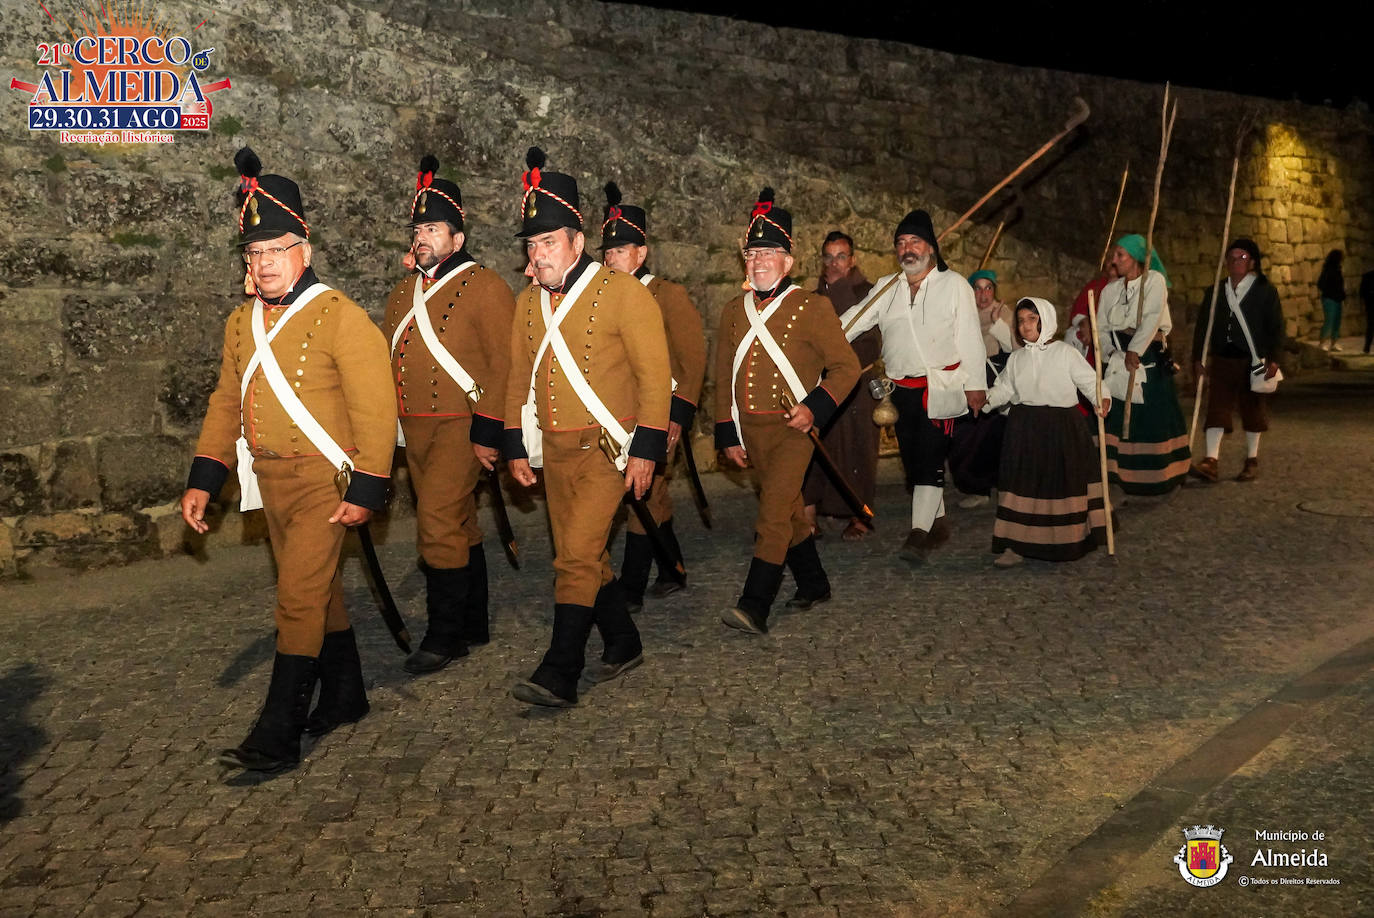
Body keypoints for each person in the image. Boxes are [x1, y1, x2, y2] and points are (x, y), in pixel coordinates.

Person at [179, 148, 396, 772]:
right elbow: (227, 401)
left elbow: (377, 410)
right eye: (254, 253)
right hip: (266, 479)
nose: (265, 263)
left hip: (326, 480)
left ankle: (278, 732)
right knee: (317, 589)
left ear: (305, 249)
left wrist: (369, 486)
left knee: (296, 599)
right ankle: (348, 693)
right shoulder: (240, 323)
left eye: (276, 250)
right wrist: (206, 476)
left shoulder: (341, 318)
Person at [502, 148, 672, 707]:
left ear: (577, 241)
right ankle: (623, 642)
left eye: (548, 242)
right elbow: (517, 379)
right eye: (532, 244)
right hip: (555, 451)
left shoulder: (624, 293)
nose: (539, 254)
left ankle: (561, 668)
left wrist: (646, 450)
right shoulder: (528, 304)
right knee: (588, 557)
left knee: (573, 558)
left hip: (607, 450)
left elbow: (656, 377)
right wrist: (514, 445)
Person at [381, 155, 516, 674]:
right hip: (415, 427)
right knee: (458, 521)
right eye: (418, 228)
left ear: (457, 239)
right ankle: (473, 621)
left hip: (463, 423)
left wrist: (491, 432)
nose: (422, 237)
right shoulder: (402, 294)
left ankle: (445, 636)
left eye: (433, 228)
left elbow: (504, 365)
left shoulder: (485, 286)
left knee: (436, 520)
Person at [713, 188, 861, 634]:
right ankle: (814, 583)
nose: (759, 262)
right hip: (752, 432)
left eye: (769, 253)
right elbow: (723, 375)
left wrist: (814, 408)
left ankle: (754, 604)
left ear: (788, 261)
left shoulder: (811, 307)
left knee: (772, 514)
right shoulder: (732, 311)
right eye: (753, 253)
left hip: (792, 431)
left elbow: (846, 367)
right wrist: (727, 433)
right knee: (792, 512)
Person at [838, 210, 985, 564]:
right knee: (914, 458)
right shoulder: (887, 287)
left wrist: (976, 385)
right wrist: (823, 340)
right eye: (901, 243)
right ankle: (938, 523)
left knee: (930, 460)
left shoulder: (955, 286)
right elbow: (854, 321)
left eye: (915, 242)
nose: (907, 249)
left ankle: (918, 535)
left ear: (931, 249)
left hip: (940, 387)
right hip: (899, 392)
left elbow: (970, 338)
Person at [598, 182, 706, 613]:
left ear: (640, 253)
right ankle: (672, 567)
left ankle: (634, 583)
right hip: (617, 414)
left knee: (644, 492)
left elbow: (692, 358)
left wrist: (677, 415)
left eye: (619, 251)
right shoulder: (601, 296)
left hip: (659, 412)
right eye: (606, 252)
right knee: (650, 494)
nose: (611, 259)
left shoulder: (667, 295)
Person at [984, 298, 1109, 567]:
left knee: (1059, 484)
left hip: (1061, 428)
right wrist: (980, 401)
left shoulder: (1064, 352)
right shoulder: (1017, 358)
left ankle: (1067, 540)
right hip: (1024, 429)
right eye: (1021, 320)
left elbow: (1089, 382)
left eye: (1032, 318)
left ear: (1045, 320)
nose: (1025, 325)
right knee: (1022, 487)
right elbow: (1003, 390)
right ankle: (1015, 545)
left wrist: (1102, 397)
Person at [1097, 234, 1190, 497]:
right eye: (1113, 255)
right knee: (1118, 420)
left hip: (1146, 357)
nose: (1113, 260)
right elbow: (1101, 327)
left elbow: (1150, 319)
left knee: (1150, 419)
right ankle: (1119, 477)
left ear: (1137, 258)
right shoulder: (1110, 290)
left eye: (1120, 255)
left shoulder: (1155, 282)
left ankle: (1160, 477)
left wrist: (1134, 350)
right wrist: (1112, 352)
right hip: (1118, 359)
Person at [803, 230, 878, 541]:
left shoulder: (870, 293)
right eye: (829, 257)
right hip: (823, 384)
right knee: (815, 449)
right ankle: (808, 514)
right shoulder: (812, 297)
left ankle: (859, 515)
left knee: (857, 450)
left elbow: (871, 341)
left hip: (859, 381)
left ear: (853, 259)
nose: (834, 263)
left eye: (841, 256)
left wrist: (842, 290)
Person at [1189, 239, 1283, 483]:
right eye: (1231, 257)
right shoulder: (1216, 291)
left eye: (1241, 257)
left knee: (1252, 410)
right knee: (1217, 408)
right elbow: (1203, 327)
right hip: (1222, 359)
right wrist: (1198, 357)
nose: (1235, 262)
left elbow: (1275, 327)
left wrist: (1274, 359)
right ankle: (1211, 460)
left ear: (1252, 261)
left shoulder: (1264, 291)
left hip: (1251, 360)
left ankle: (1251, 459)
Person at [949, 268, 1014, 509]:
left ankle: (1000, 485)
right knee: (965, 436)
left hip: (994, 383)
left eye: (989, 288)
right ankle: (975, 486)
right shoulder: (962, 314)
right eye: (978, 288)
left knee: (993, 436)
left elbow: (1013, 348)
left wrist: (998, 324)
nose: (983, 294)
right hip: (967, 381)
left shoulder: (1004, 313)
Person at [1064, 262, 1119, 366]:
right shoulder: (1097, 285)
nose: (1113, 262)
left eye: (1119, 256)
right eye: (1110, 258)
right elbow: (1078, 311)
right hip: (1091, 343)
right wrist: (1085, 322)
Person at [1316, 249, 1345, 351]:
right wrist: (1330, 291)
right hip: (1329, 299)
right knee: (1329, 321)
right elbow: (1321, 284)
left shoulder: (1338, 269)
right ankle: (1322, 343)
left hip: (1338, 299)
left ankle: (1334, 343)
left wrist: (1342, 296)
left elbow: (1340, 285)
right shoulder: (1328, 270)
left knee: (1337, 321)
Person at [1362, 267, 1374, 354]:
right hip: (1371, 305)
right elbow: (1362, 292)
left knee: (1370, 326)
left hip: (1370, 305)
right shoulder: (1367, 276)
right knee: (1370, 326)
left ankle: (1367, 347)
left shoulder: (1367, 276)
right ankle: (1367, 347)